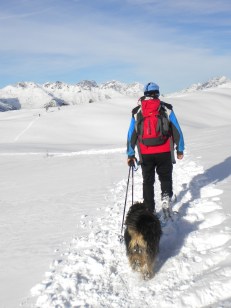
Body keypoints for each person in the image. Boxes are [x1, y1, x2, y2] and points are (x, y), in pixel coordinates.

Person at [126, 82, 184, 214]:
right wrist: (179, 149)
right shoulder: (166, 109)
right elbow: (177, 131)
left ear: (145, 93)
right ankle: (165, 197)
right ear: (157, 92)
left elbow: (131, 135)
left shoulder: (137, 111)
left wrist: (130, 154)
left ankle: (149, 209)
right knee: (165, 177)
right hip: (164, 151)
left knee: (148, 181)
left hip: (145, 153)